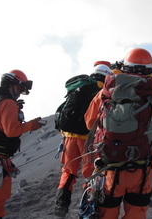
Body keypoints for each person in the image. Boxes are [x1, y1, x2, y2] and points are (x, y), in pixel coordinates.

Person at [84, 48, 152, 219]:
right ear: (150, 69)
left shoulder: (105, 94)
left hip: (109, 167)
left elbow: (89, 122)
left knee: (106, 212)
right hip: (140, 169)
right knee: (136, 213)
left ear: (125, 67)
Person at [0, 69, 43, 219]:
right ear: (13, 85)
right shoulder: (8, 103)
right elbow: (12, 131)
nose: (19, 93)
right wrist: (32, 124)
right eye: (19, 89)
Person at [54, 64, 113, 217]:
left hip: (68, 137)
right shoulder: (101, 91)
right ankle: (88, 205)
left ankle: (62, 203)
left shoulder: (78, 88)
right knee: (90, 172)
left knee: (68, 171)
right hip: (88, 139)